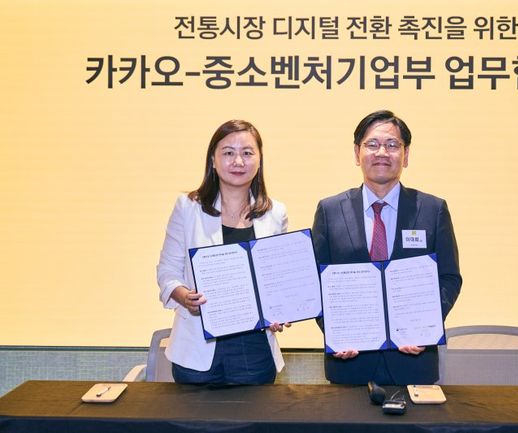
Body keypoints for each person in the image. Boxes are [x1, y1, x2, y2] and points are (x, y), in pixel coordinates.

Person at [312, 110, 462, 385]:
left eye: (392, 145)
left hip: (413, 363)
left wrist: (424, 326)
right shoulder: (330, 210)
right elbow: (316, 283)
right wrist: (335, 331)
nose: (382, 152)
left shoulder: (432, 209)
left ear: (406, 155)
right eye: (372, 144)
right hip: (350, 364)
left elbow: (449, 278)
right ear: (357, 153)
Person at [156, 119, 290, 385]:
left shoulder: (276, 213)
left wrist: (280, 309)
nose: (238, 161)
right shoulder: (188, 208)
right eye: (228, 152)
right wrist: (184, 297)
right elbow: (167, 272)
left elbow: (278, 280)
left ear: (259, 160)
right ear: (213, 160)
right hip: (197, 348)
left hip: (255, 350)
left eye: (247, 153)